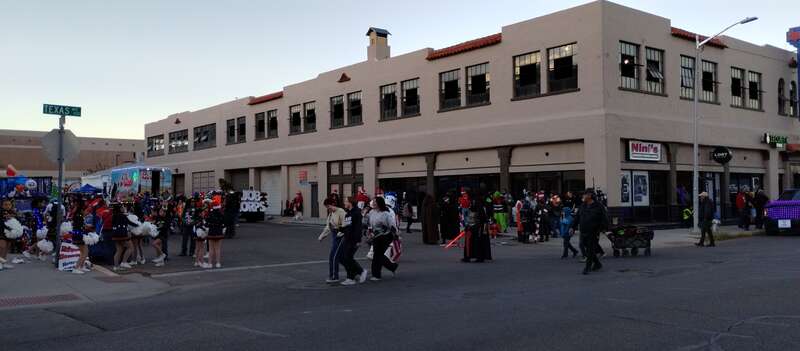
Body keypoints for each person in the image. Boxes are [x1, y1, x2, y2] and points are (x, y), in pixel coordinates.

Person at [572, 189, 608, 275]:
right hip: (583, 231)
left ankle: (587, 267)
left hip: (594, 231)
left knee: (590, 249)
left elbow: (604, 218)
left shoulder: (598, 206)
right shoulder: (583, 206)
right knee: (586, 247)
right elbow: (577, 217)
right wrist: (572, 227)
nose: (583, 196)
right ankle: (597, 264)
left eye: (584, 195)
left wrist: (603, 228)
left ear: (590, 195)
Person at [339, 197, 368, 286]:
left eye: (346, 201)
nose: (344, 203)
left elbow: (358, 228)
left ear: (350, 203)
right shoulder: (348, 213)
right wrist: (339, 229)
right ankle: (355, 273)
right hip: (347, 238)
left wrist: (358, 240)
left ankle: (353, 276)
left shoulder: (356, 213)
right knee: (342, 258)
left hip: (353, 240)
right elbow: (347, 227)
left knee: (347, 257)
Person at [368, 197, 398, 281]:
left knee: (377, 255)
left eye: (375, 202)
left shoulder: (386, 214)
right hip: (376, 236)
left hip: (385, 236)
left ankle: (376, 275)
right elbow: (370, 224)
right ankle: (392, 266)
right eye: (372, 202)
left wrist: (395, 235)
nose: (373, 203)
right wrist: (369, 232)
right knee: (378, 255)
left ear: (379, 203)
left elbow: (392, 225)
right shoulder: (371, 212)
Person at [318, 198, 346, 283]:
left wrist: (340, 233)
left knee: (333, 256)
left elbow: (345, 225)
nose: (328, 208)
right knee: (341, 258)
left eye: (329, 206)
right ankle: (356, 271)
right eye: (326, 207)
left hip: (341, 236)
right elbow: (328, 226)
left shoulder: (341, 212)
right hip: (335, 235)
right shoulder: (331, 214)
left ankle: (334, 276)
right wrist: (322, 236)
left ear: (333, 204)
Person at [462, 193, 492, 263]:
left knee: (477, 240)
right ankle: (481, 256)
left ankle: (477, 256)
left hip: (478, 224)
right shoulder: (484, 201)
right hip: (482, 224)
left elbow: (476, 214)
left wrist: (471, 225)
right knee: (482, 239)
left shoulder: (476, 202)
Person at [111, 202, 139, 271]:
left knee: (119, 250)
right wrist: (139, 225)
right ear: (120, 209)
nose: (124, 208)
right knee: (130, 247)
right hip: (123, 235)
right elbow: (130, 223)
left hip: (115, 235)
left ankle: (116, 266)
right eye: (122, 207)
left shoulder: (113, 215)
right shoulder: (123, 216)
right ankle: (124, 262)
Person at [206, 199, 225, 268]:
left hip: (211, 232)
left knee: (211, 249)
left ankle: (210, 263)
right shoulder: (221, 213)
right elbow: (223, 222)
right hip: (219, 232)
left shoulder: (210, 213)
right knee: (218, 249)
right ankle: (218, 263)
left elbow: (207, 221)